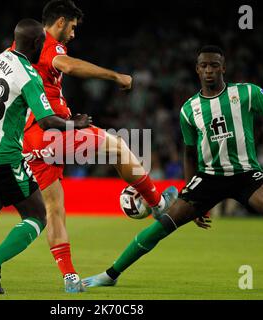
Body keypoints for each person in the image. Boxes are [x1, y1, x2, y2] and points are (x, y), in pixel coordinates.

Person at [17, 0, 178, 292]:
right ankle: (156, 203)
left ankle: (69, 278)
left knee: (54, 209)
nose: (74, 35)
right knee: (118, 146)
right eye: (74, 28)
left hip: (29, 139)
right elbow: (69, 65)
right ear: (61, 21)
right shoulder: (49, 44)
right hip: (53, 130)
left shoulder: (21, 46)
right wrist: (115, 76)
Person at [82, 45, 263, 288]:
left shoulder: (247, 93)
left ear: (223, 67)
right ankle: (110, 275)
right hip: (209, 178)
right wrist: (189, 190)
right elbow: (190, 153)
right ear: (197, 69)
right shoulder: (188, 110)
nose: (209, 70)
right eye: (204, 65)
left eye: (214, 65)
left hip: (247, 175)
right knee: (163, 226)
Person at [0, 18, 91, 294]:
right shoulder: (29, 75)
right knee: (38, 214)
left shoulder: (0, 58)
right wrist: (77, 123)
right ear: (38, 43)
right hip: (3, 156)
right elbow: (48, 120)